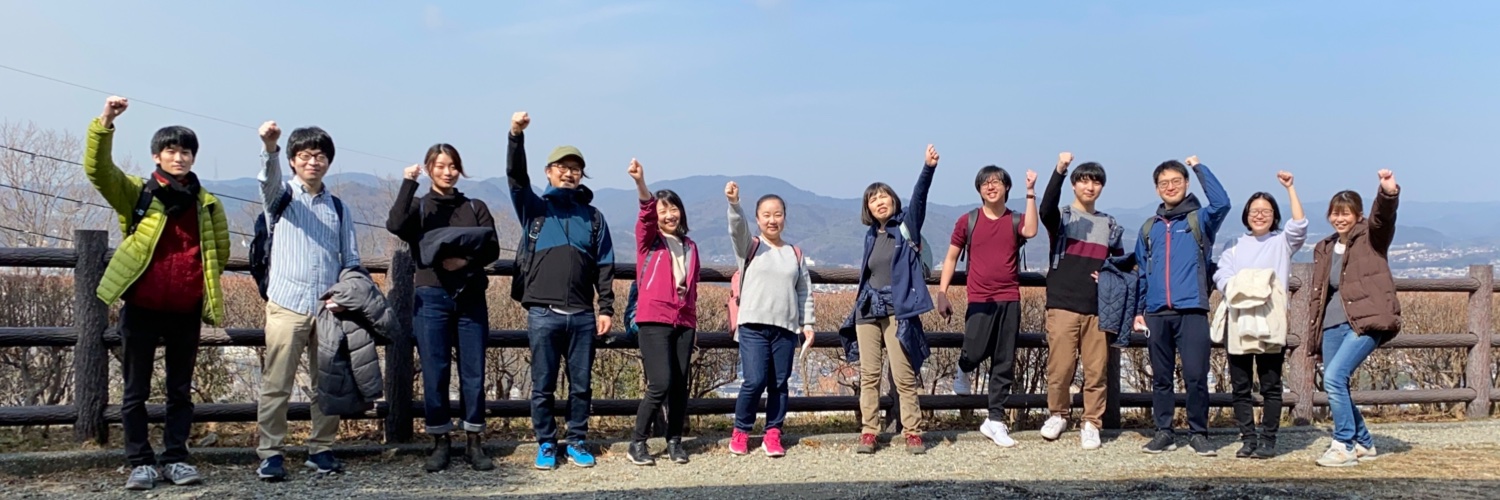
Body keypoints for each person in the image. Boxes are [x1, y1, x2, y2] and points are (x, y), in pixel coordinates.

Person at [85, 96, 229, 490]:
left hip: (185, 306)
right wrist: (106, 122)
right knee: (135, 390)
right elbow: (97, 171)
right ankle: (140, 461)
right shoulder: (137, 193)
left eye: (186, 151)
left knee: (180, 391)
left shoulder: (208, 204)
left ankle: (177, 458)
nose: (179, 157)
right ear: (157, 156)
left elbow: (219, 252)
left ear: (193, 158)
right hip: (142, 305)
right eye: (171, 150)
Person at [506, 112, 616, 470]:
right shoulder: (535, 209)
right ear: (549, 172)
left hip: (583, 313)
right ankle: (547, 443)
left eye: (576, 169)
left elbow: (605, 264)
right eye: (562, 167)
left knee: (581, 385)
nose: (569, 173)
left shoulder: (593, 217)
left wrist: (606, 308)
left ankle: (578, 440)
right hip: (542, 312)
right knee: (543, 384)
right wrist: (515, 137)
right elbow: (516, 179)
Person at [255, 120, 361, 480]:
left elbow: (351, 261)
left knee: (327, 384)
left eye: (319, 156)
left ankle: (322, 448)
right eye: (304, 156)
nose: (312, 162)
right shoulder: (280, 198)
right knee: (276, 383)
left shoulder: (340, 208)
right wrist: (270, 148)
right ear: (293, 161)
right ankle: (270, 453)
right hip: (286, 304)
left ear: (328, 161)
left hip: (328, 309)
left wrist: (344, 295)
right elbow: (267, 182)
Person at [386, 144, 501, 472]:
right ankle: (439, 442)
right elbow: (395, 224)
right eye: (440, 166)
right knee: (435, 371)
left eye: (453, 166)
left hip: (470, 296)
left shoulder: (474, 206)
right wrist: (409, 183)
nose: (447, 172)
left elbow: (491, 247)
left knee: (473, 371)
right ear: (429, 168)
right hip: (432, 296)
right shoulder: (421, 208)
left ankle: (474, 442)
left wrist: (464, 259)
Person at [838, 145, 940, 455]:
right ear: (867, 207)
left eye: (883, 196)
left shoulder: (906, 226)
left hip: (899, 310)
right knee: (869, 374)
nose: (879, 201)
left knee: (902, 373)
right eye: (873, 198)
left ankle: (912, 431)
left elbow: (919, 198)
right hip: (868, 309)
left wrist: (928, 168)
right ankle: (869, 431)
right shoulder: (871, 235)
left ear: (893, 200)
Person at [936, 165, 1039, 448]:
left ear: (1007, 187)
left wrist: (1030, 192)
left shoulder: (1015, 219)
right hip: (980, 297)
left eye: (996, 182)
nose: (991, 186)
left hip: (1009, 297)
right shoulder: (968, 221)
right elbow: (950, 258)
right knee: (975, 347)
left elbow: (1031, 230)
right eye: (985, 183)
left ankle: (995, 420)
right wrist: (942, 292)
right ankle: (964, 366)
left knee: (1004, 360)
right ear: (978, 189)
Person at [1134, 155, 1230, 457]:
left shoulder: (1199, 219)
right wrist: (1139, 310)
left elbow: (1222, 203)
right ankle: (1164, 431)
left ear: (1186, 184)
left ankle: (1198, 432)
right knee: (1161, 377)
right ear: (1156, 189)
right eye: (1164, 183)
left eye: (1177, 181)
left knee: (1195, 375)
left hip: (1192, 309)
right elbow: (1142, 270)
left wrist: (1200, 168)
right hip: (1157, 312)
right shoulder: (1149, 228)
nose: (1171, 186)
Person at [1211, 171, 1307, 459]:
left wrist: (1290, 188)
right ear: (1246, 215)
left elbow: (1299, 225)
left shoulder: (1282, 243)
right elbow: (1222, 275)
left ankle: (1268, 439)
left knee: (1270, 384)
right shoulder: (1234, 245)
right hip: (1238, 318)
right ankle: (1247, 438)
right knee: (1240, 385)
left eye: (1266, 211)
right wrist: (1245, 287)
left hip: (1270, 319)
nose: (1260, 215)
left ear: (1275, 215)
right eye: (1255, 211)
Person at [1309, 170, 1402, 467]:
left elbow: (1383, 218)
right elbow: (1321, 293)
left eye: (1346, 213)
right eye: (1335, 213)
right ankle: (1364, 442)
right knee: (1337, 383)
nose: (1340, 219)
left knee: (1335, 378)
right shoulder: (1324, 248)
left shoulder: (1371, 238)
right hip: (1333, 324)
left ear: (1358, 215)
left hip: (1365, 321)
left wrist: (1387, 193)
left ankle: (1343, 444)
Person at [1036, 152, 1124, 450]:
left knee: (1097, 370)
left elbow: (1120, 265)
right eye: (1084, 180)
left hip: (1098, 307)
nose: (1090, 187)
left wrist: (1111, 277)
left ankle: (1091, 422)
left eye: (1096, 182)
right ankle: (1058, 414)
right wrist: (1059, 169)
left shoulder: (1110, 225)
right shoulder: (1062, 218)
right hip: (1062, 303)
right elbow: (1045, 209)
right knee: (1059, 368)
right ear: (1074, 185)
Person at [726, 181, 815, 458]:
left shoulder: (794, 254)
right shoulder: (749, 247)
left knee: (779, 383)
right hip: (752, 324)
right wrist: (734, 204)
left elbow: (804, 291)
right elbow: (737, 229)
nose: (772, 220)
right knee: (753, 380)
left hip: (786, 328)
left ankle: (773, 432)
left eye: (777, 214)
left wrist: (808, 323)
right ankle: (741, 430)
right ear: (757, 219)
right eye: (766, 214)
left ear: (784, 218)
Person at [625, 159, 701, 466]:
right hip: (653, 318)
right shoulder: (649, 242)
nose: (669, 215)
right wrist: (641, 184)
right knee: (660, 382)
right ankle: (637, 442)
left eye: (673, 208)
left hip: (684, 320)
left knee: (680, 384)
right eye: (663, 210)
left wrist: (691, 318)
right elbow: (644, 214)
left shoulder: (690, 245)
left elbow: (690, 286)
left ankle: (674, 441)